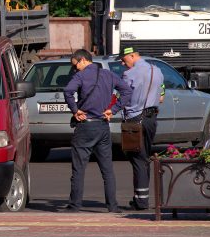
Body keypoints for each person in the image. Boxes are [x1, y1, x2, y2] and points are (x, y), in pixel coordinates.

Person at [62, 49, 133, 213]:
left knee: (79, 168)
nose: (75, 69)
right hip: (102, 125)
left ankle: (75, 205)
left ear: (83, 60)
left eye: (75, 65)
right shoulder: (108, 75)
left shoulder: (80, 76)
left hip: (85, 126)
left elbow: (68, 91)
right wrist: (113, 110)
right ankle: (112, 206)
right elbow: (127, 91)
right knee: (107, 169)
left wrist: (75, 110)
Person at [118, 47, 165, 210]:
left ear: (132, 56)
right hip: (152, 119)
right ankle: (141, 197)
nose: (123, 64)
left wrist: (113, 108)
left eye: (124, 60)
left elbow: (123, 96)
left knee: (137, 158)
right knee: (143, 157)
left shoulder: (129, 74)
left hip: (135, 119)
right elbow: (162, 94)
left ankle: (141, 200)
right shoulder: (157, 70)